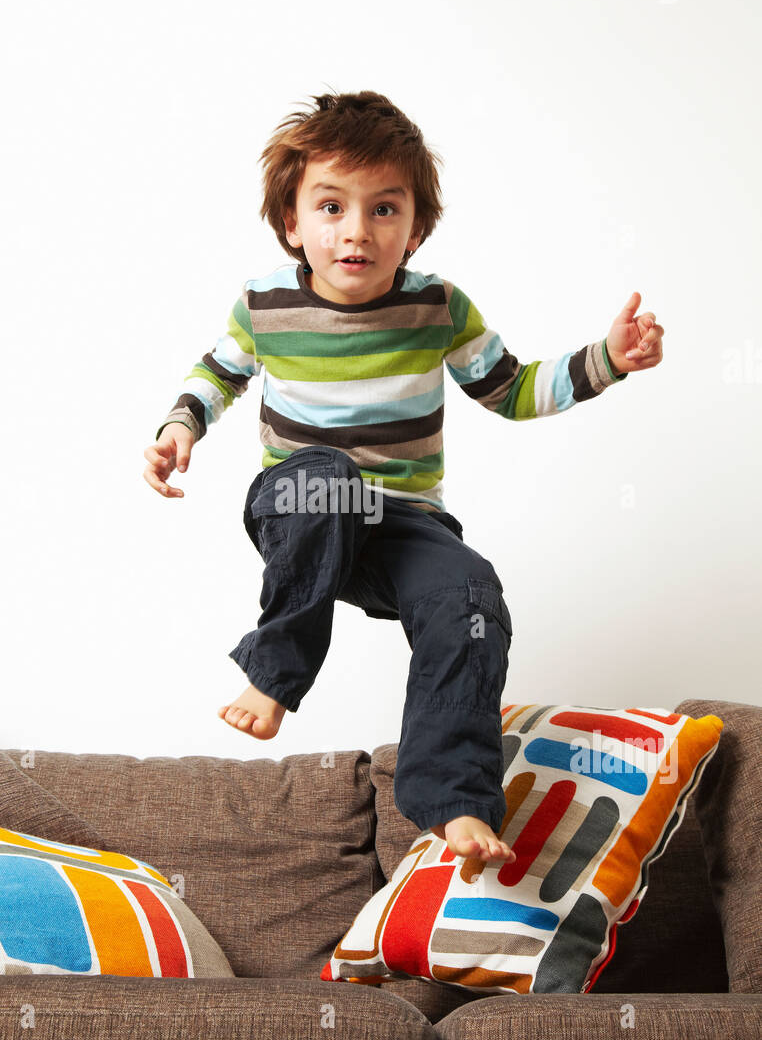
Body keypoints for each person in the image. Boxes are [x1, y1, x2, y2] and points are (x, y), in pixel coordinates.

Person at [143, 90, 664, 864]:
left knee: (471, 593)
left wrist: (608, 362)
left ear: (415, 229)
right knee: (325, 476)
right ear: (293, 223)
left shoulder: (439, 308)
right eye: (331, 207)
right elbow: (216, 374)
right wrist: (179, 425)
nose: (356, 231)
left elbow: (512, 390)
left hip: (402, 526)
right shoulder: (264, 307)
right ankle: (275, 673)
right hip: (301, 508)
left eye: (384, 210)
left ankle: (453, 800)